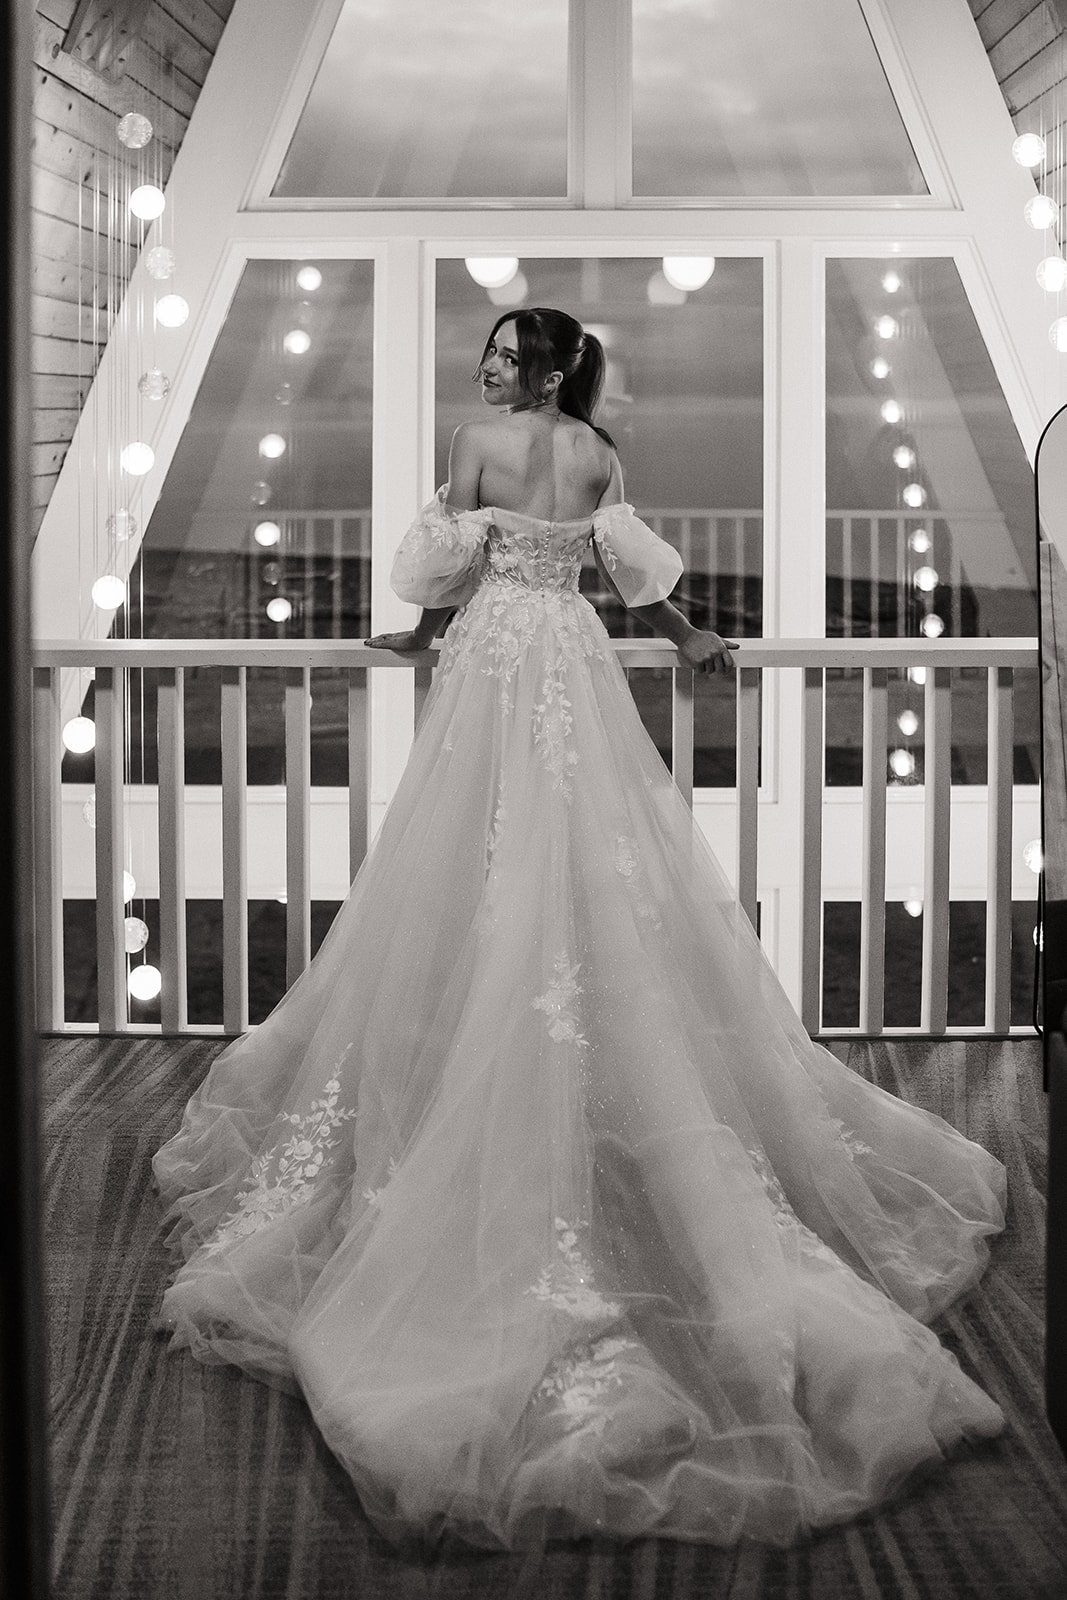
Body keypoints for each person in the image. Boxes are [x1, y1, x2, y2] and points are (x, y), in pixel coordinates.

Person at [153, 307, 1006, 1551]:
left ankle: (482, 1062)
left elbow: (445, 567)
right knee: (585, 851)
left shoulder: (475, 440)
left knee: (476, 848)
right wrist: (697, 635)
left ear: (541, 369)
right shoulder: (597, 457)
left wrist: (425, 633)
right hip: (573, 655)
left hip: (501, 655)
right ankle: (562, 1046)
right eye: (490, 352)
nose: (489, 364)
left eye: (506, 353)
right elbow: (630, 578)